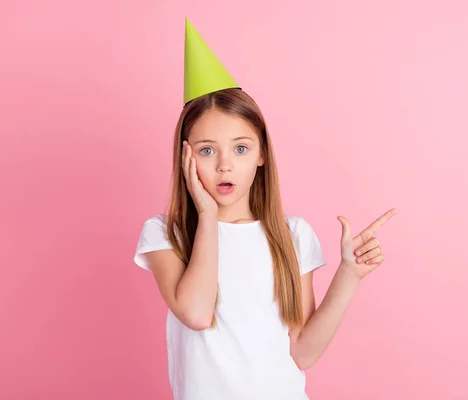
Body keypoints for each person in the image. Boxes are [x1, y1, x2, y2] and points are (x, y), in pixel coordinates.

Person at [133, 17, 396, 400]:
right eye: (207, 150)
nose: (225, 164)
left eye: (241, 148)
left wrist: (349, 276)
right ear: (186, 157)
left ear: (260, 155)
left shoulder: (292, 235)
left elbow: (303, 353)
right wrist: (207, 216)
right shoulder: (165, 234)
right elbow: (196, 313)